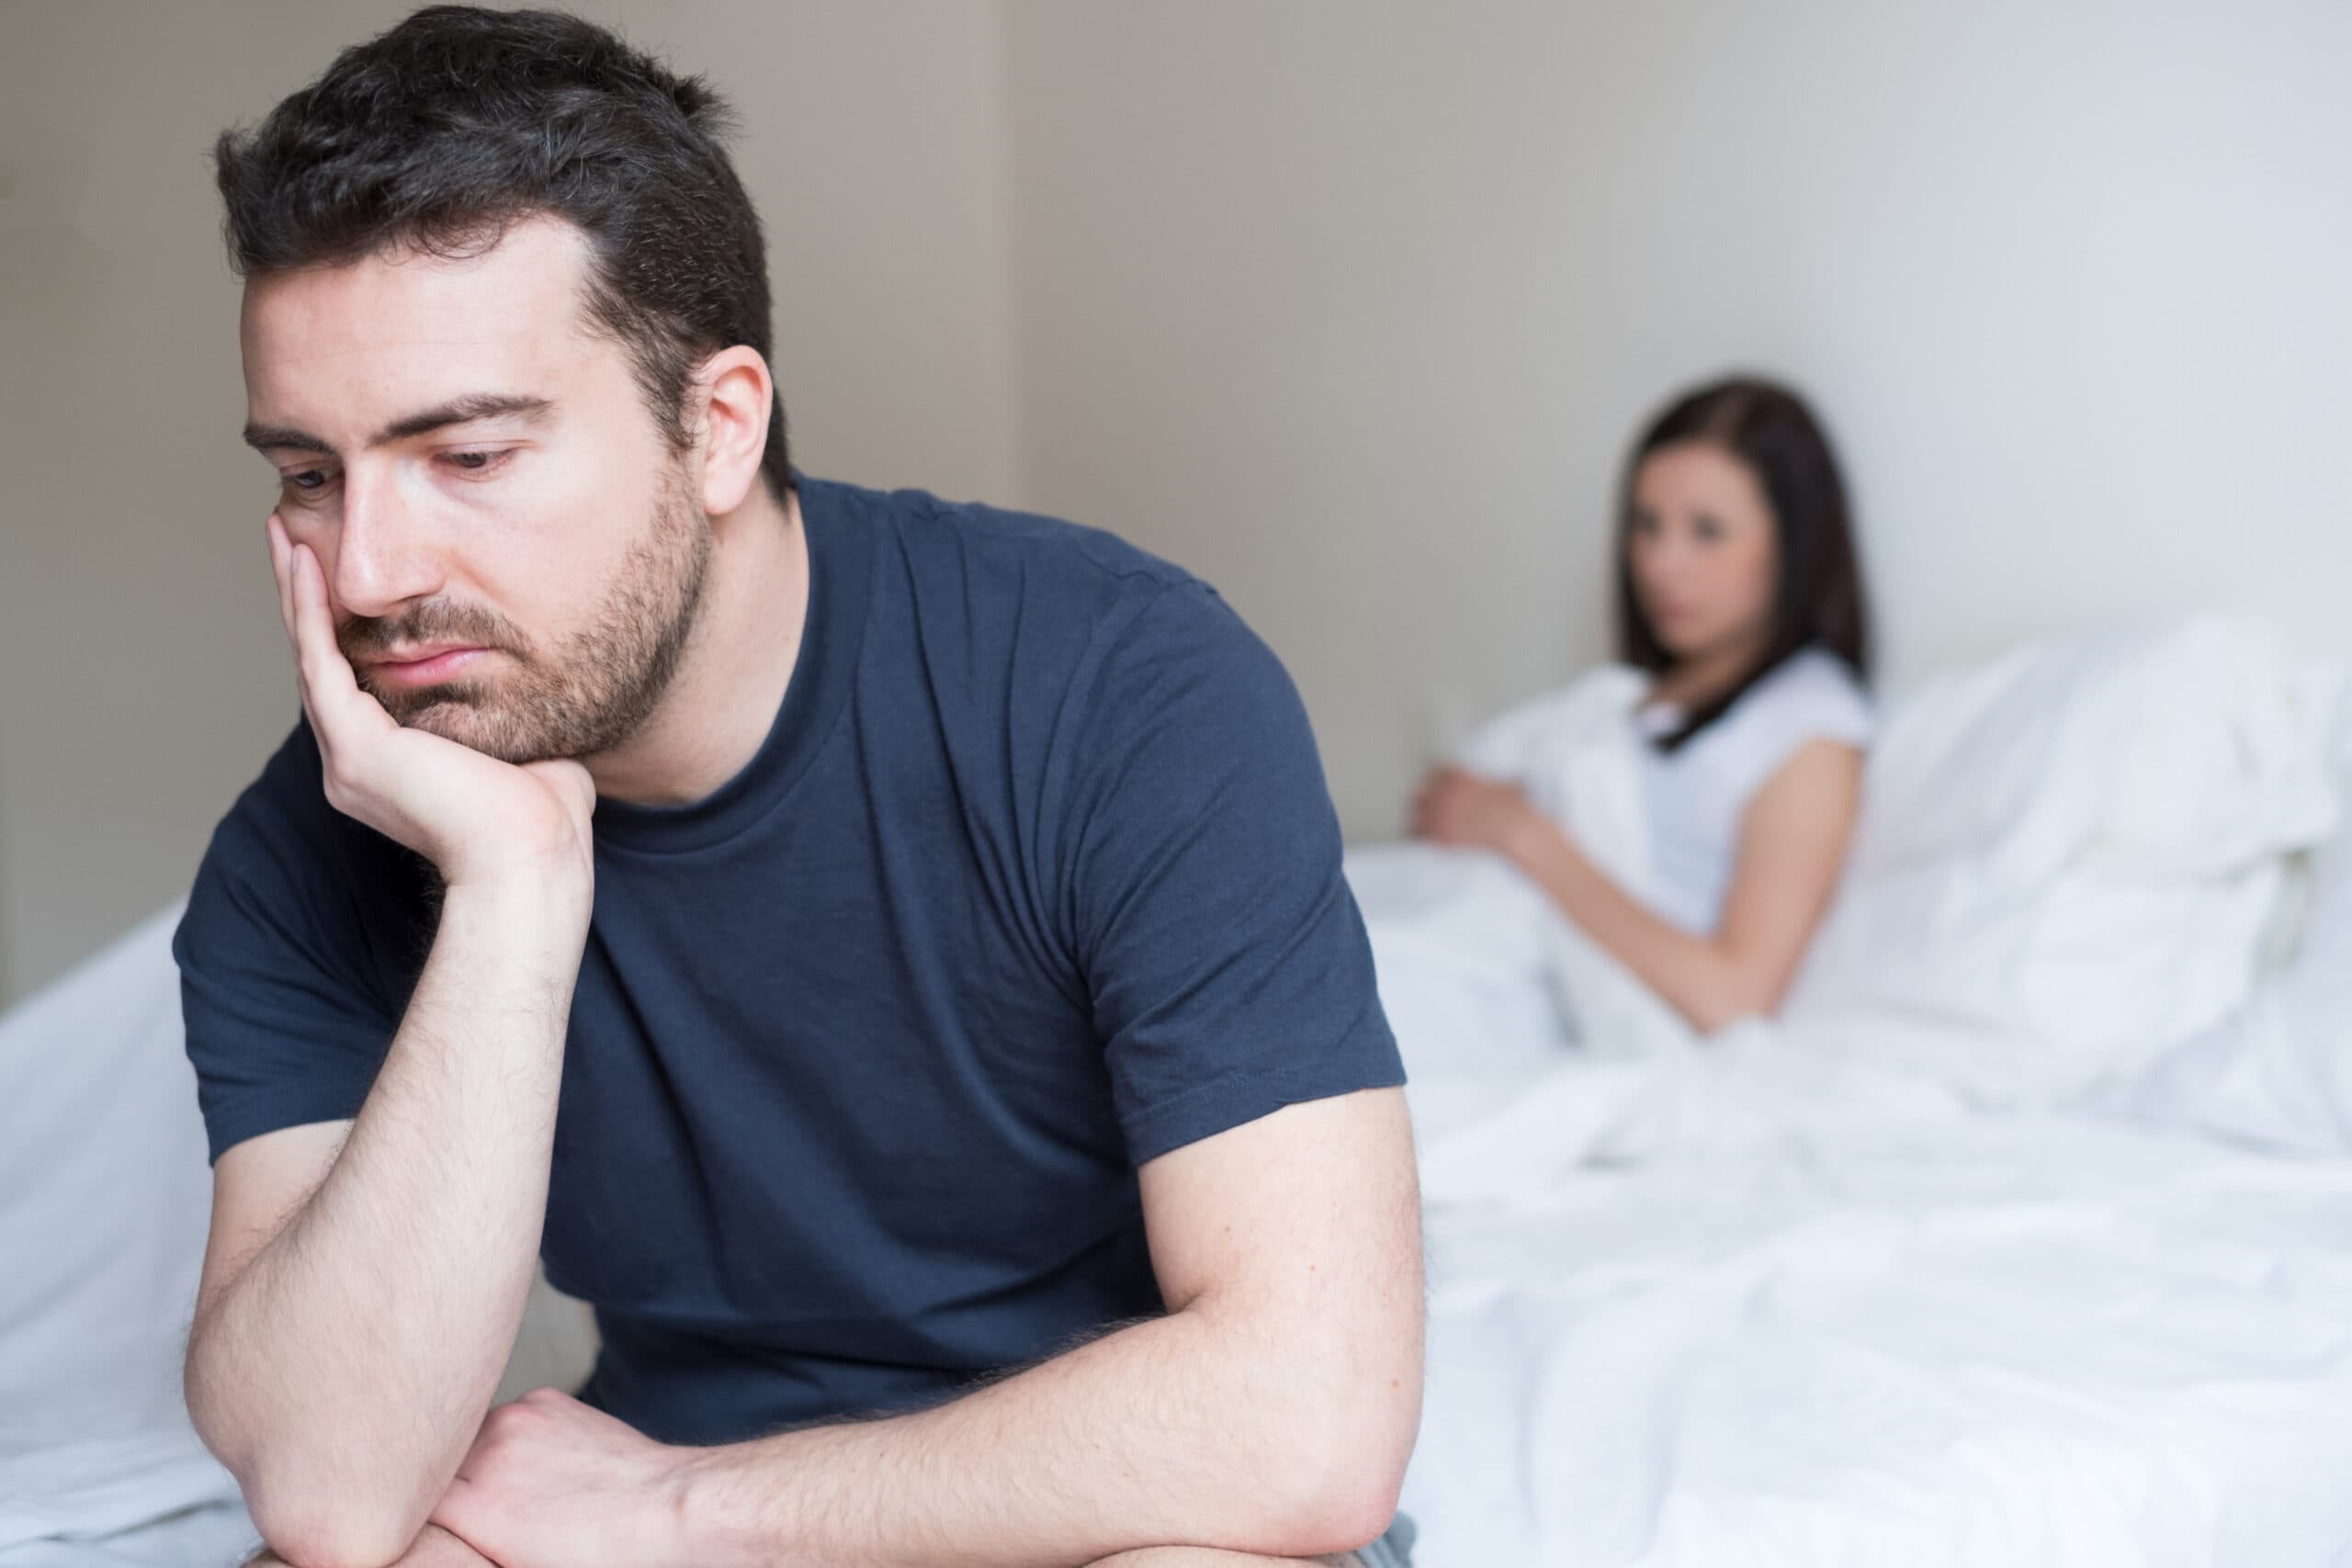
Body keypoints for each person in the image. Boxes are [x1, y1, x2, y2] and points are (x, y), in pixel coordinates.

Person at [172, 9, 1422, 1568]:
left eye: (470, 457)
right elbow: (331, 1489)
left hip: (1118, 1500)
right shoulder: (314, 844)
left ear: (717, 423)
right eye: (309, 473)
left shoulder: (1120, 683)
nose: (368, 572)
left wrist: (691, 1509)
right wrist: (512, 895)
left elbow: (1310, 1422)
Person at [1411, 376, 1875, 1034]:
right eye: (1646, 525)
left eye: (1707, 531)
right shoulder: (1633, 698)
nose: (1661, 564)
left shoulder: (1811, 727)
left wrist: (1518, 832)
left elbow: (1736, 995)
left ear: (1794, 544)